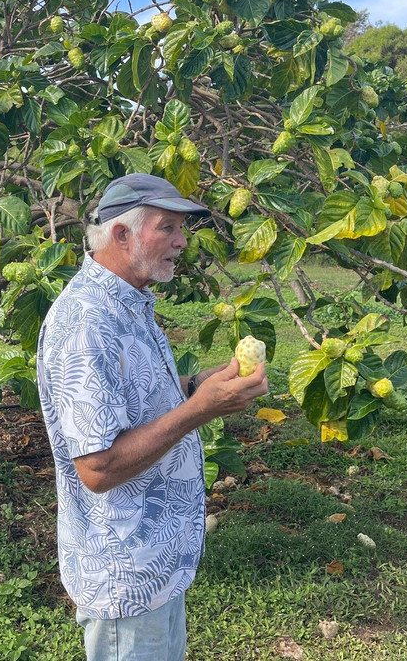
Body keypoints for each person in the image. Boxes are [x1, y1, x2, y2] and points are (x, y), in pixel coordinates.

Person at [36, 173, 270, 661]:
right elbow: (97, 469)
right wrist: (199, 410)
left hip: (155, 564)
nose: (182, 242)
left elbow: (133, 400)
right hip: (126, 574)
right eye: (168, 228)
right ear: (122, 235)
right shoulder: (87, 325)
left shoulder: (127, 302)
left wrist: (195, 386)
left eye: (181, 229)